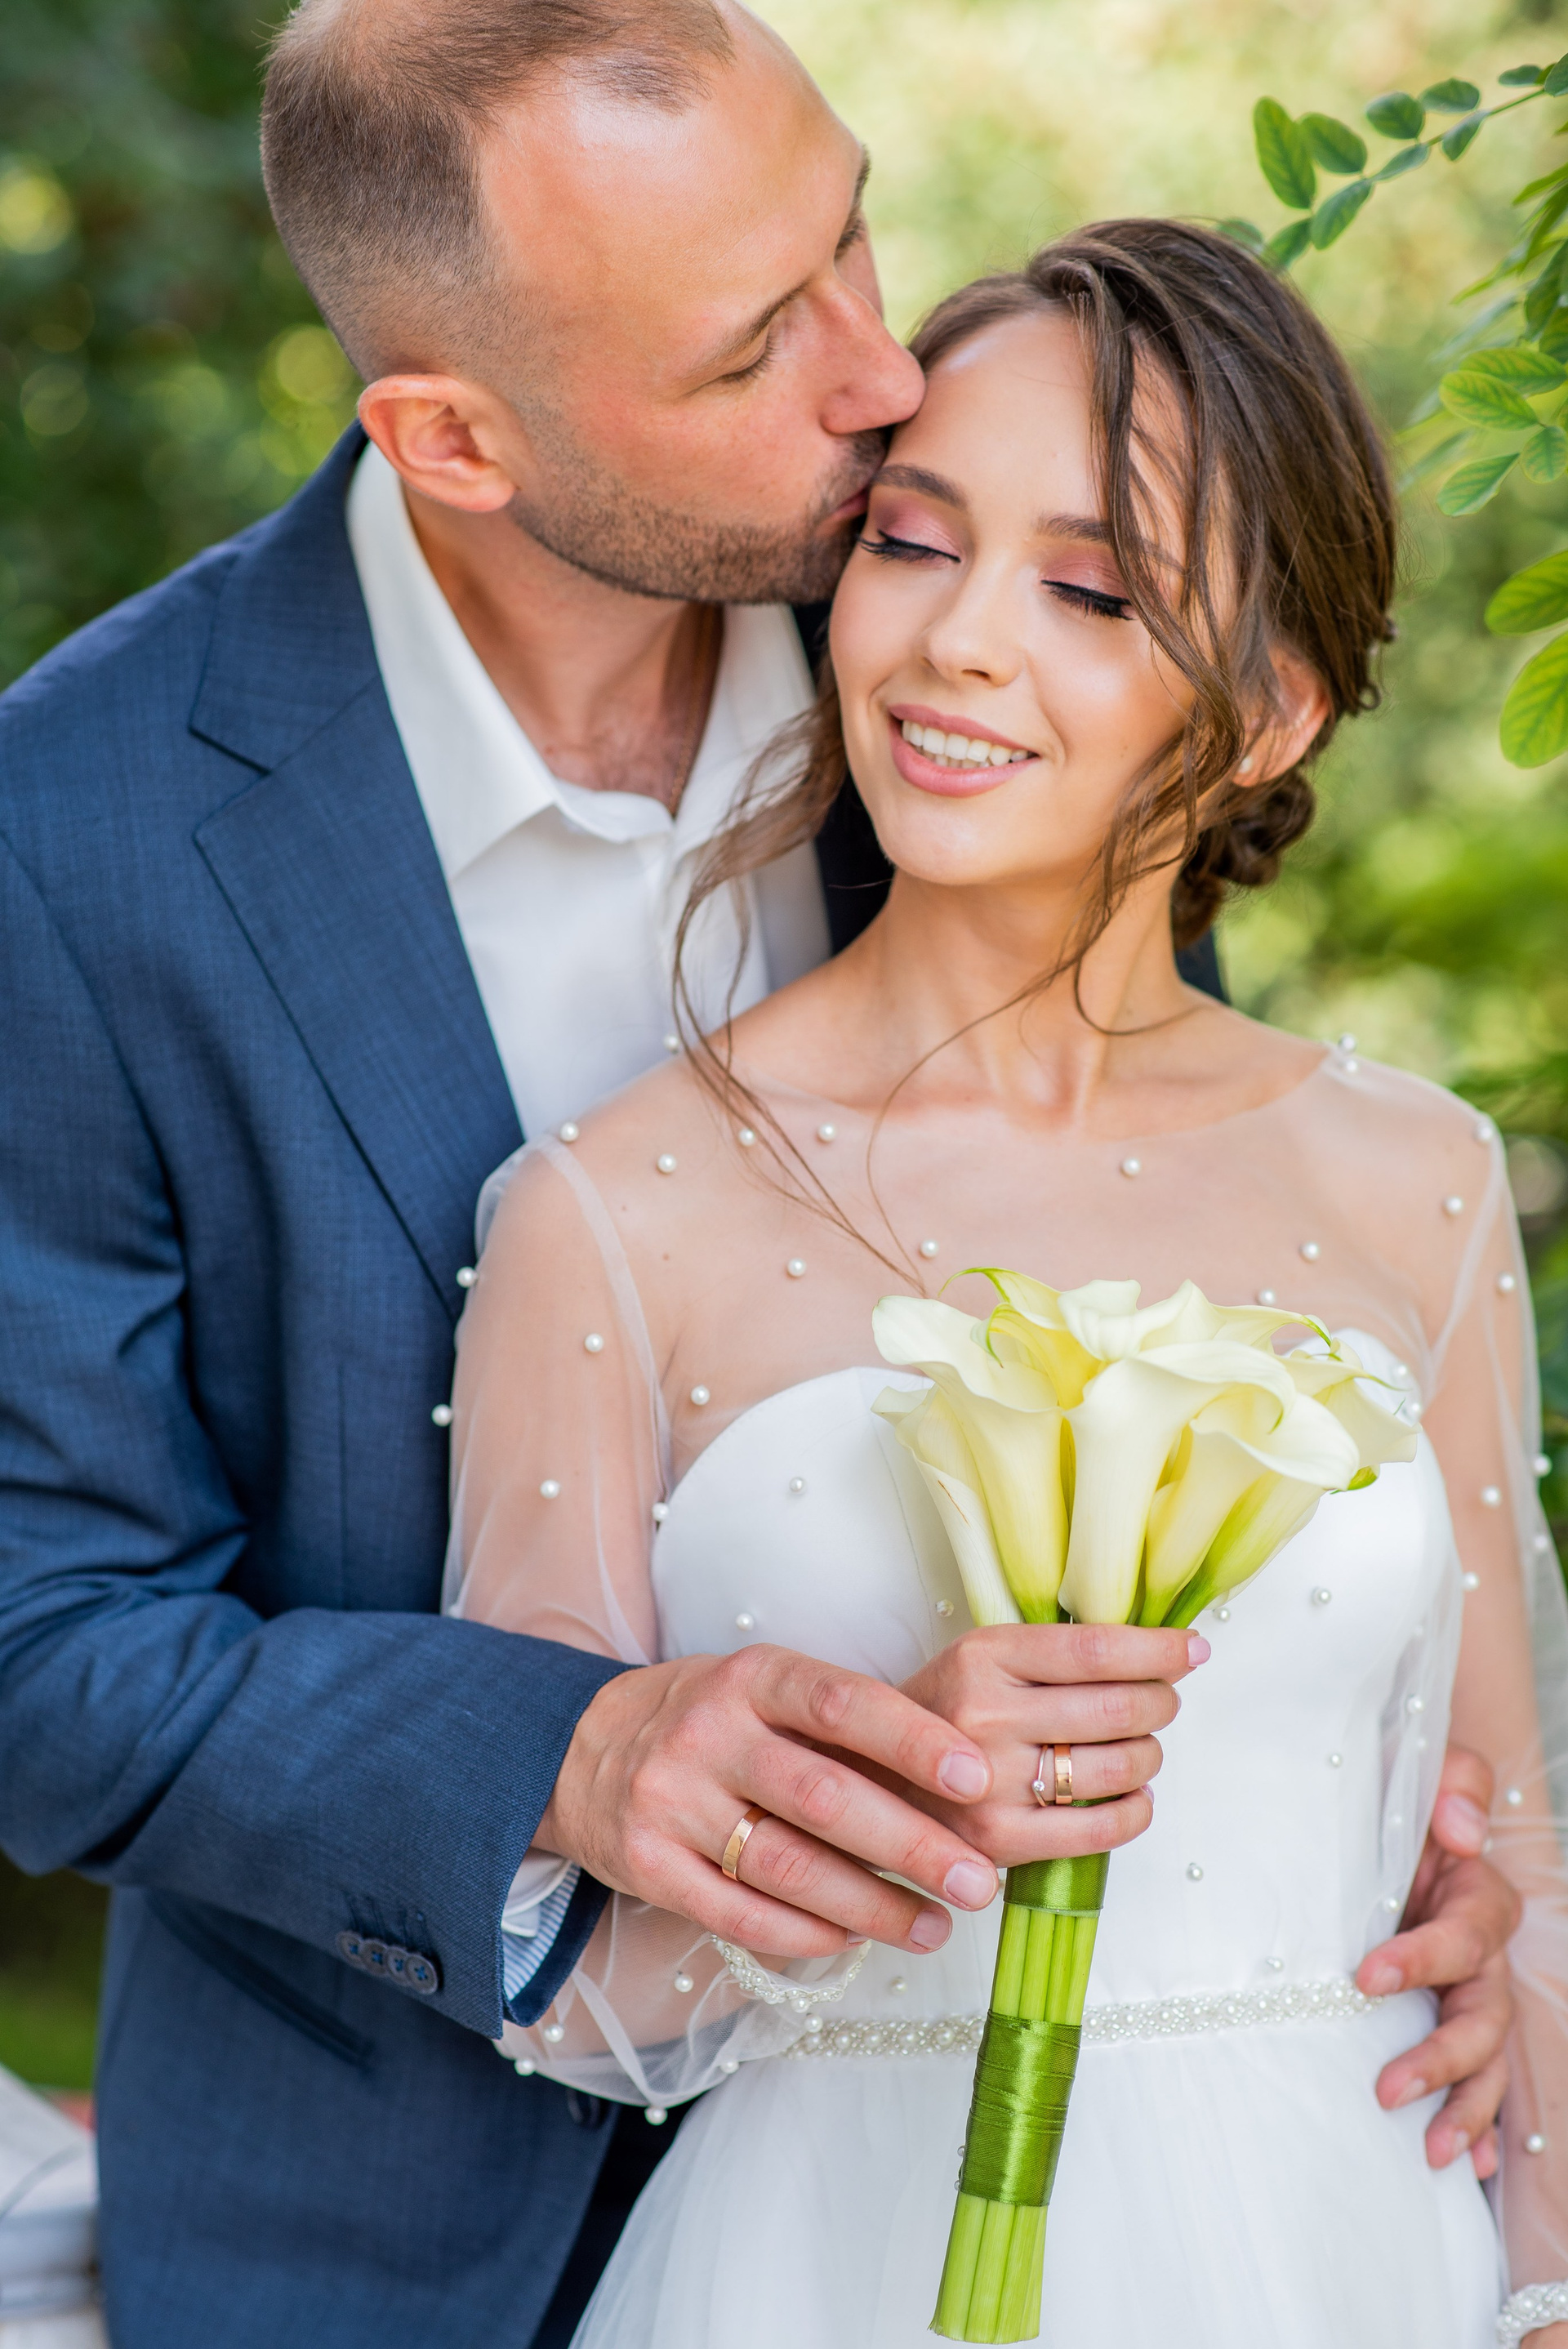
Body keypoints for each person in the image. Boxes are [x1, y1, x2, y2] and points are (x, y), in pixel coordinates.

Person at [0, 0, 1517, 2342]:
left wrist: (1432, 1873)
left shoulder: (963, 595)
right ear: (453, 434)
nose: (875, 372)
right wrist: (571, 1750)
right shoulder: (71, 837)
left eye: (850, 239)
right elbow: (39, 1636)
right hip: (397, 2231)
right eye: (750, 346)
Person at [446, 221, 1568, 2348]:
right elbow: (561, 1985)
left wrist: (1546, 2282)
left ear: (1271, 710)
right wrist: (887, 1817)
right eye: (911, 542)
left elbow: (1521, 1842)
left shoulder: (1414, 1177)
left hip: (1357, 2249)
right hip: (822, 2271)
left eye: (1093, 591)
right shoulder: (607, 1214)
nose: (955, 643)